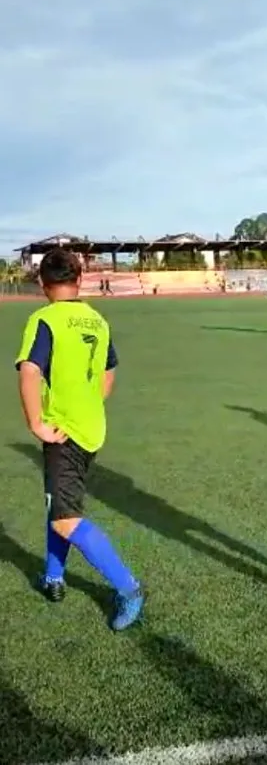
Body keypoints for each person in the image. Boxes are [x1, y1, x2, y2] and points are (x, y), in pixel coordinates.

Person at [15, 248, 144, 632]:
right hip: (91, 428)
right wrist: (89, 404)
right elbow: (108, 372)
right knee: (59, 504)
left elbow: (30, 371)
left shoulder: (45, 320)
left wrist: (36, 423)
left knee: (66, 519)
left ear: (42, 282)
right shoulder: (97, 320)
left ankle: (129, 587)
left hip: (63, 431)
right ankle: (53, 577)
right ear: (80, 279)